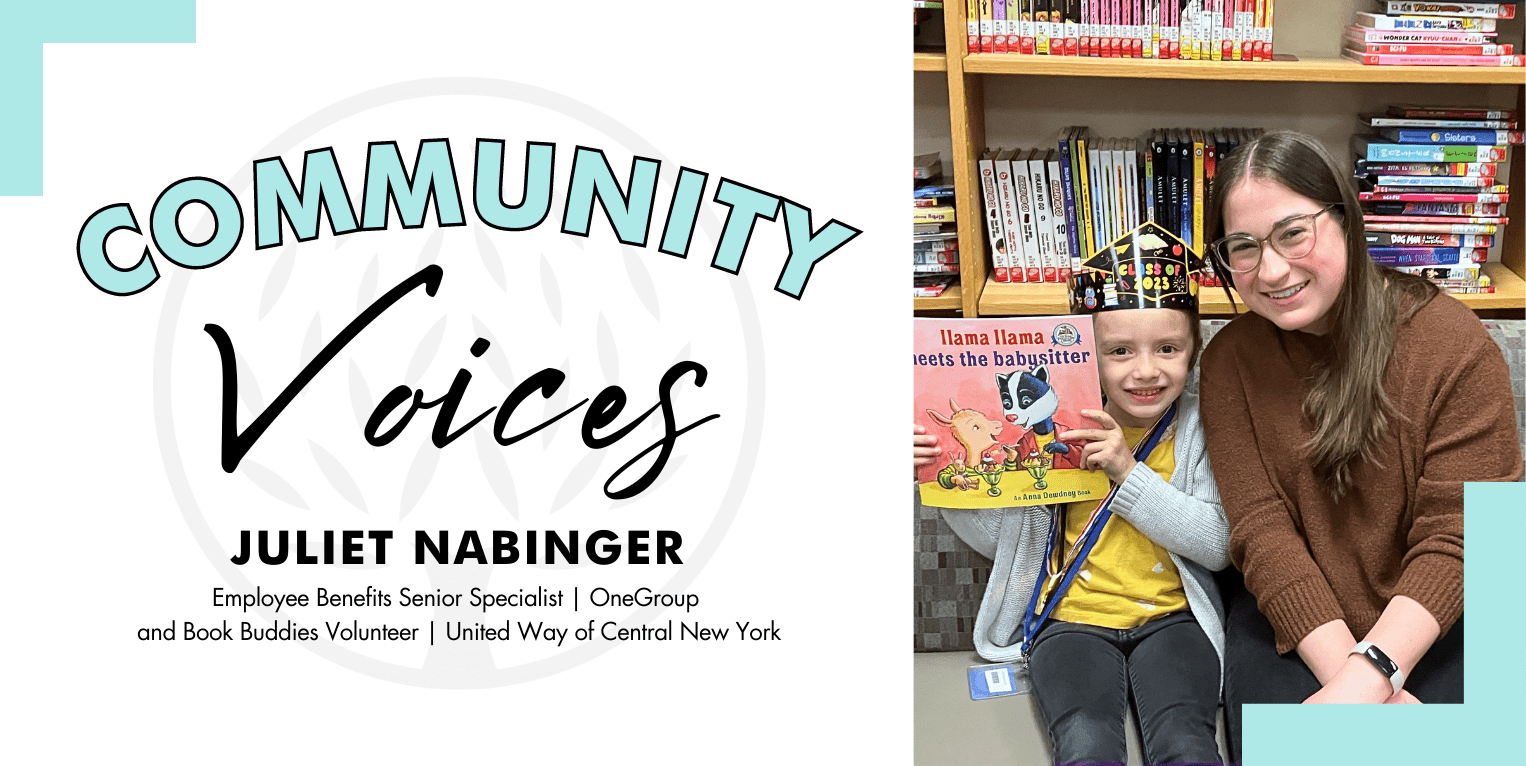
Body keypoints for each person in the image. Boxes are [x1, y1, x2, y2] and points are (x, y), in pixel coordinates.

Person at [1197, 131, 1523, 764]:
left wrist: (1369, 677)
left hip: (1453, 616)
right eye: (1244, 246)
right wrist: (1354, 687)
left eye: (1294, 233)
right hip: (1299, 622)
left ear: (1345, 218)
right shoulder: (1228, 362)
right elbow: (1262, 533)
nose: (1271, 270)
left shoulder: (1455, 346)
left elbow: (1466, 537)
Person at [916, 228, 1230, 766]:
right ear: (1087, 353)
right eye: (1119, 351)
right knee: (1085, 743)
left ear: (1193, 351)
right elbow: (1007, 546)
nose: (1146, 370)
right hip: (1071, 619)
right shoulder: (1054, 430)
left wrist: (1126, 472)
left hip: (1176, 619)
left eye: (1169, 349)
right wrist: (944, 480)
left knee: (1187, 743)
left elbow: (1218, 545)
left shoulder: (1201, 426)